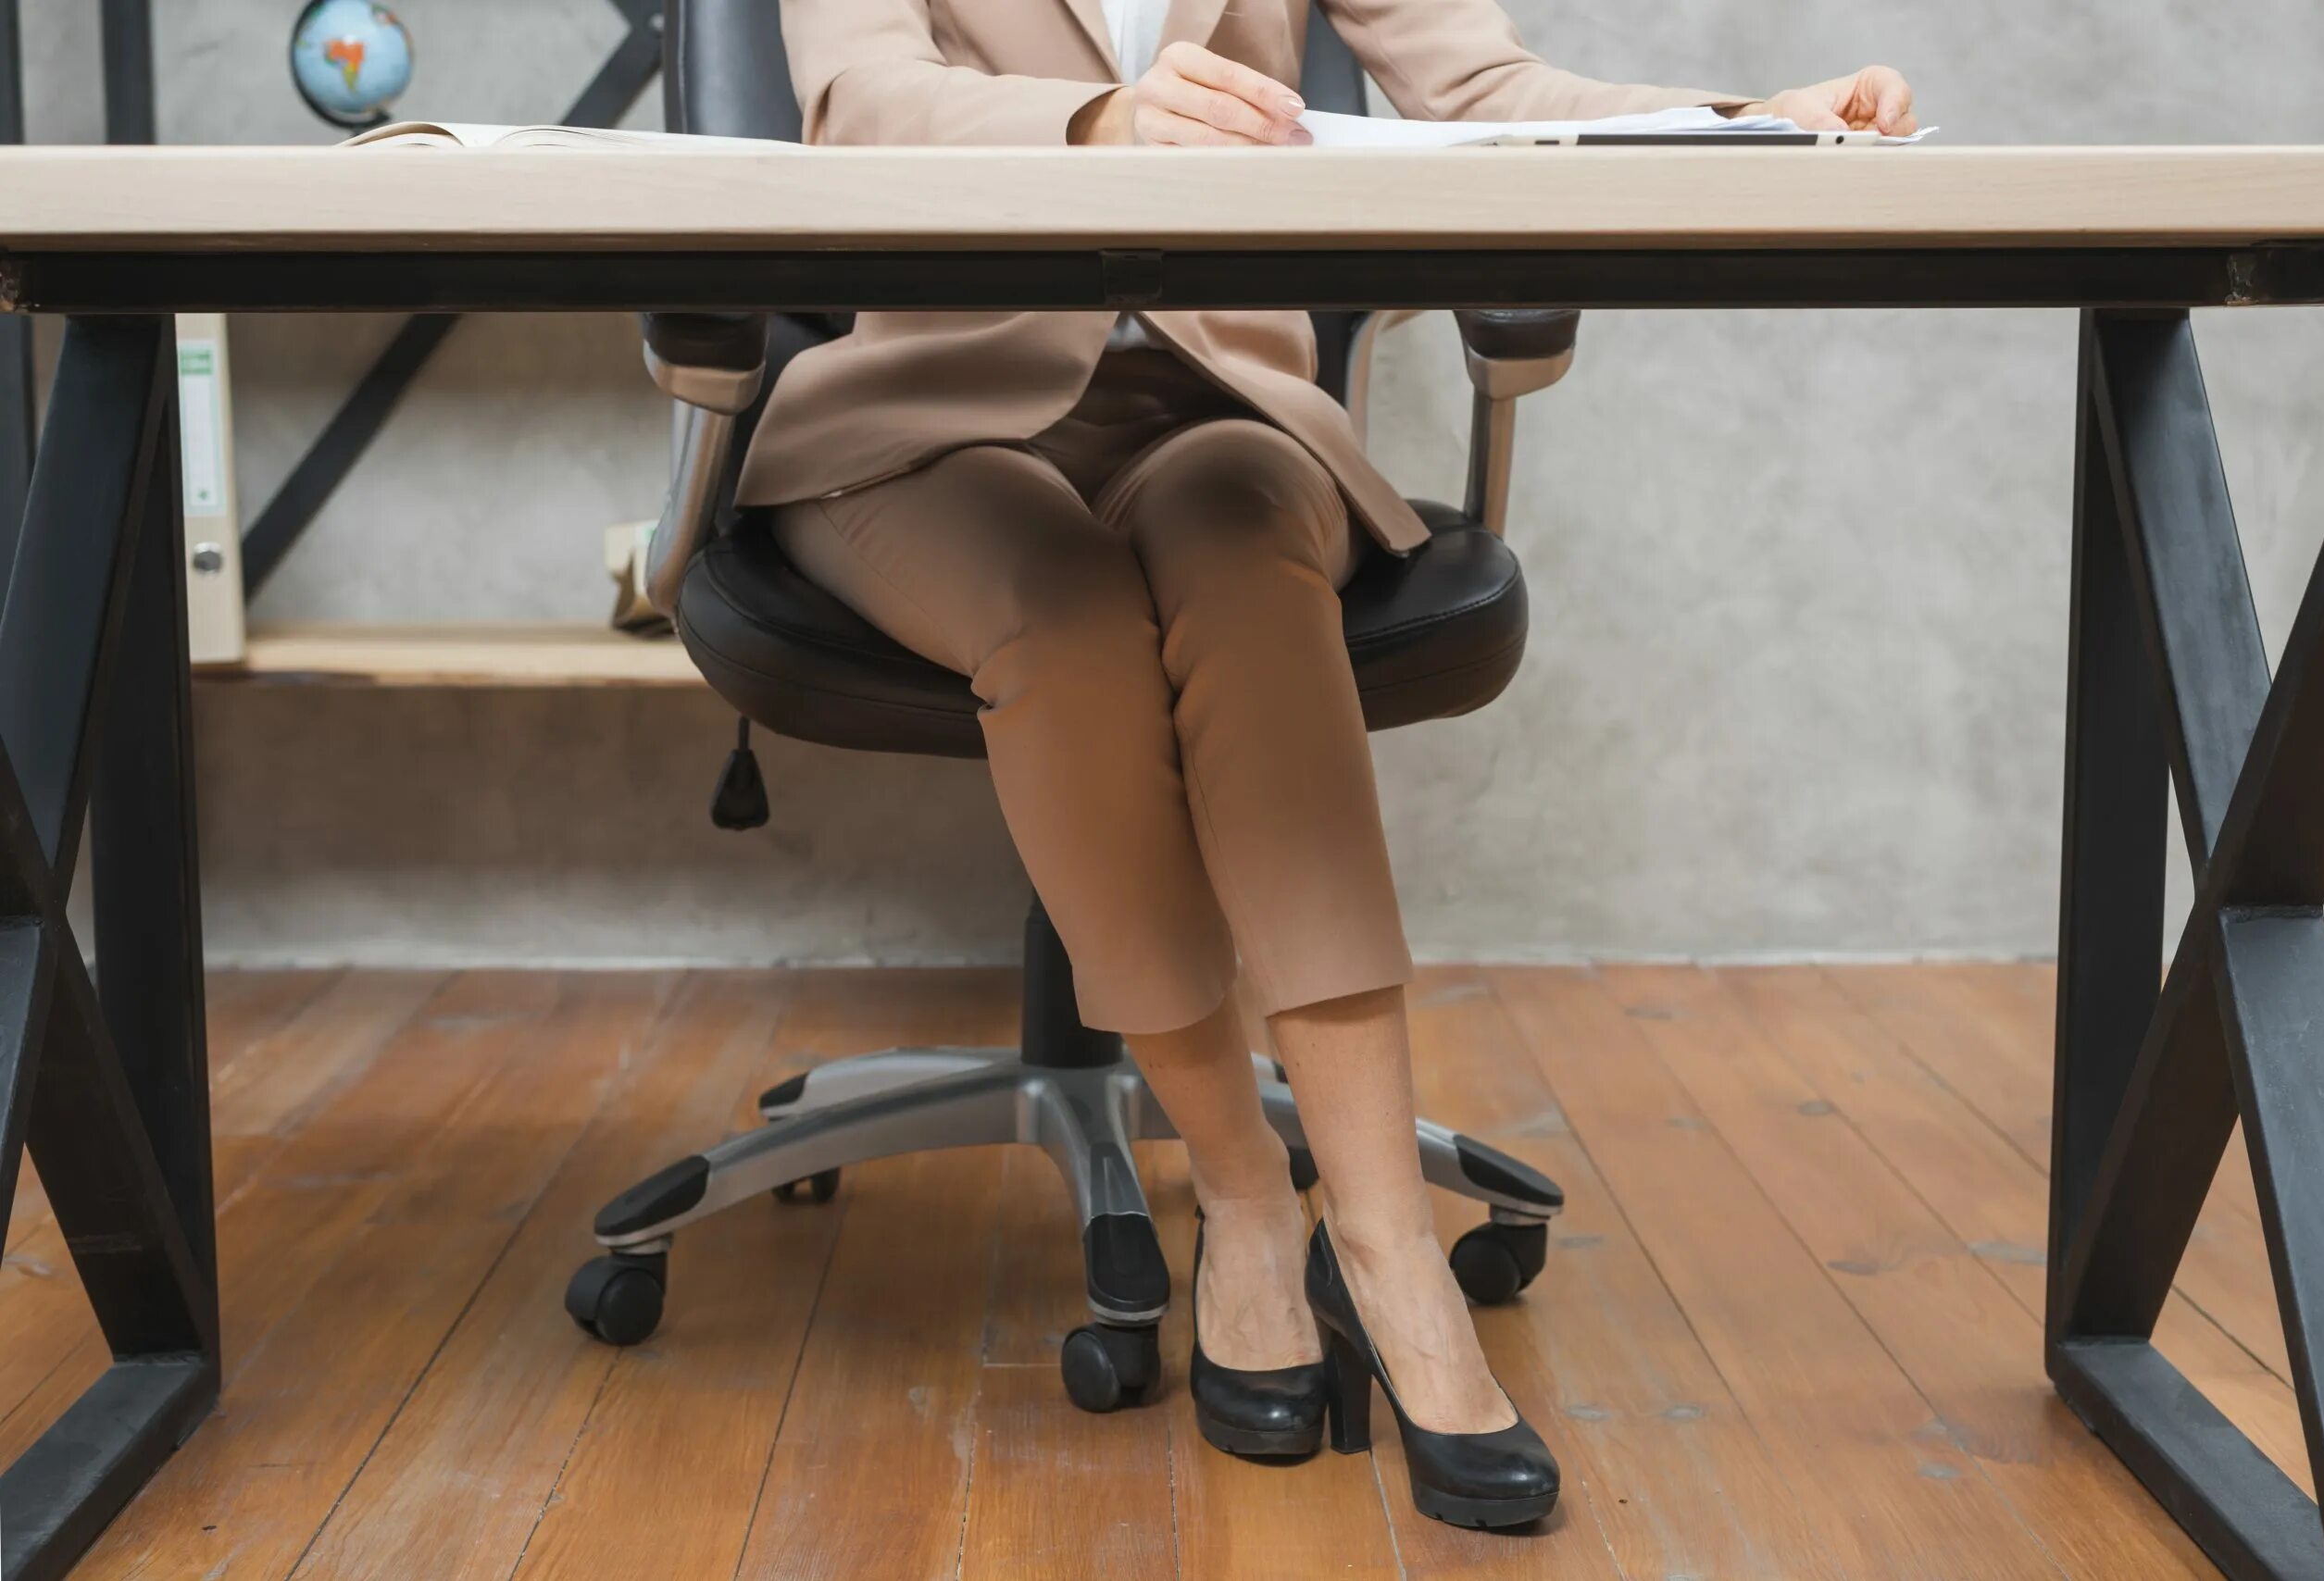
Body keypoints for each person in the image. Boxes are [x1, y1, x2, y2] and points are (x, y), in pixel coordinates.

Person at [748, 0, 1915, 1530]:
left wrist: (1738, 119)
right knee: (1070, 616)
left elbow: (1484, 82)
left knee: (1246, 566)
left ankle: (1384, 1248)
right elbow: (859, 98)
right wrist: (1102, 125)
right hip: (923, 423)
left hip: (1214, 402)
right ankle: (1241, 1188)